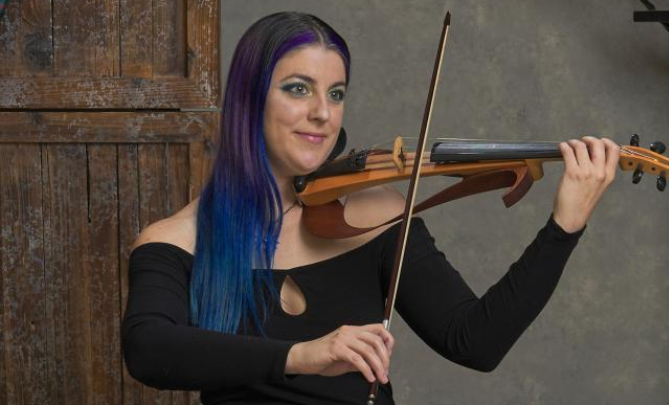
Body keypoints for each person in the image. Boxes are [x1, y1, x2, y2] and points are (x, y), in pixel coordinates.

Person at [121, 11, 620, 405]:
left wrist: (564, 226)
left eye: (336, 94)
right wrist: (304, 356)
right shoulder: (178, 239)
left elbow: (474, 342)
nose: (323, 112)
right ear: (250, 101)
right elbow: (148, 349)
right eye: (298, 89)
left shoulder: (372, 214)